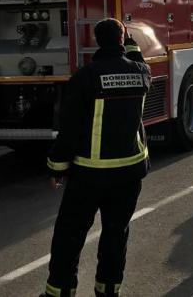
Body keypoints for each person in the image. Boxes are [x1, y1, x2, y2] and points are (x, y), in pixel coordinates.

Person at [42, 18, 151, 297]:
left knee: (70, 235)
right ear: (122, 40)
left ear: (96, 41)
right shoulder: (141, 73)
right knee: (116, 234)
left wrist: (57, 167)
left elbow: (70, 128)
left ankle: (60, 292)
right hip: (129, 173)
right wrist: (129, 42)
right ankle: (108, 290)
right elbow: (136, 59)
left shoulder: (85, 76)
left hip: (90, 174)